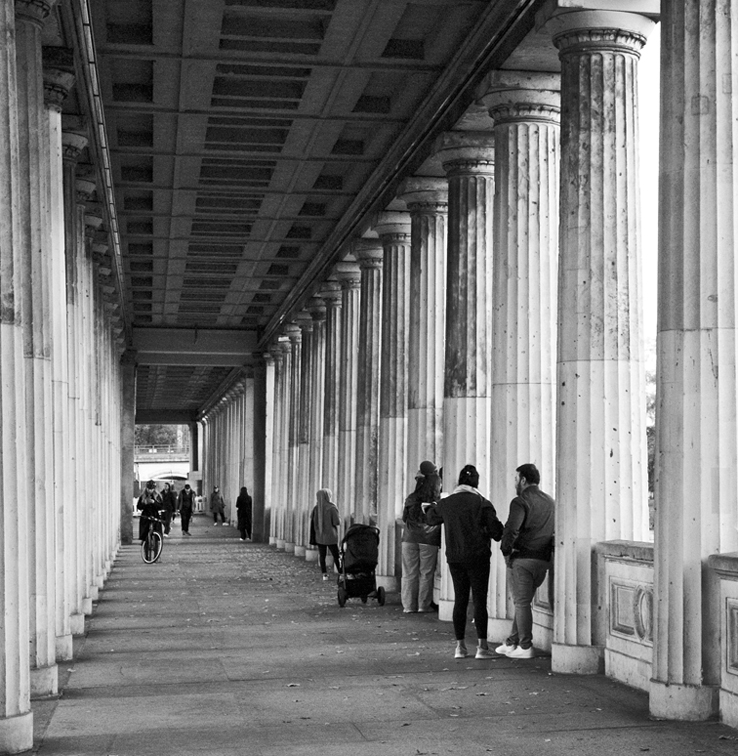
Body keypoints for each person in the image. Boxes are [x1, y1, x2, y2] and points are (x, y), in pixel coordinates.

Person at [425, 464, 503, 660]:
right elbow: (497, 533)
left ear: (459, 482)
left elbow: (430, 519)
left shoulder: (447, 503)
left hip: (455, 557)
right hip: (478, 557)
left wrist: (431, 507)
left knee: (460, 600)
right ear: (476, 483)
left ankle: (460, 647)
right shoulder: (482, 503)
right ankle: (482, 647)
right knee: (479, 600)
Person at [496, 463, 555, 659]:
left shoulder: (520, 501)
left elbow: (512, 529)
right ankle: (511, 642)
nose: (515, 483)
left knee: (521, 603)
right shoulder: (550, 501)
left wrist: (506, 551)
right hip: (543, 560)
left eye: (516, 479)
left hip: (522, 558)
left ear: (522, 480)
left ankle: (525, 645)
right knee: (523, 601)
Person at [401, 460, 442, 613]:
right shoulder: (436, 499)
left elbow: (404, 518)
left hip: (409, 538)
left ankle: (408, 606)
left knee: (409, 573)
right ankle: (422, 605)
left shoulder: (411, 498)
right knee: (426, 573)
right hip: (429, 538)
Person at [310, 488, 340, 580]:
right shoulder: (332, 507)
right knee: (336, 555)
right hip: (331, 536)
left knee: (322, 555)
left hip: (320, 536)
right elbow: (336, 522)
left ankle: (324, 575)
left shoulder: (316, 508)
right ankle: (340, 572)